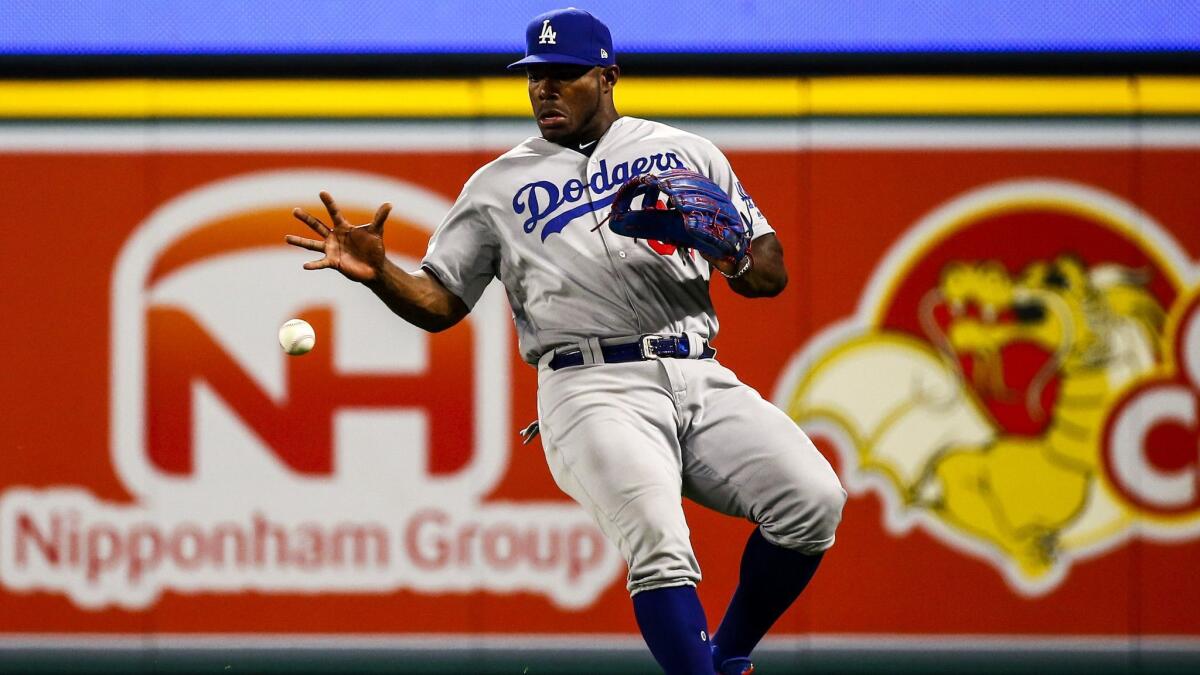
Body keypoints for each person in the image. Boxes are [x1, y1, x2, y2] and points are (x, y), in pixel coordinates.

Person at [286, 8, 846, 674]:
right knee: (661, 542)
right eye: (535, 77)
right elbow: (441, 302)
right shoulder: (496, 186)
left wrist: (728, 255)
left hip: (697, 371)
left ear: (609, 76)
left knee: (813, 500)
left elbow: (770, 270)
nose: (544, 89)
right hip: (591, 387)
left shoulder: (685, 152)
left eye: (564, 75)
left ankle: (726, 657)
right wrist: (381, 274)